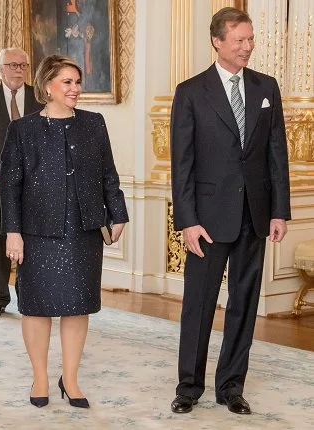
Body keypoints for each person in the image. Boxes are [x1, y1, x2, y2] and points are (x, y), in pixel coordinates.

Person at [170, 7, 290, 415]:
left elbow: (277, 154)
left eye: (250, 38)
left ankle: (231, 386)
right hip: (206, 218)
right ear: (217, 42)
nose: (247, 46)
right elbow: (181, 162)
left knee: (244, 302)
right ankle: (188, 387)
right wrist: (186, 220)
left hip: (255, 215)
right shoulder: (190, 91)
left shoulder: (266, 87)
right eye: (239, 40)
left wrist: (279, 211)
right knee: (198, 304)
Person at [0, 55, 128, 408]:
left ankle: (70, 378)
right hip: (37, 231)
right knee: (37, 308)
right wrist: (13, 232)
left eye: (77, 82)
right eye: (67, 82)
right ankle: (40, 376)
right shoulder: (22, 129)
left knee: (77, 306)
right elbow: (10, 185)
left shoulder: (93, 123)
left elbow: (108, 173)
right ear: (47, 88)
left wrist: (118, 214)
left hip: (84, 229)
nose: (75, 89)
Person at [0, 47, 43, 318]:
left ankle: (30, 297)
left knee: (31, 241)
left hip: (34, 183)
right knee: (1, 242)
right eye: (12, 65)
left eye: (23, 66)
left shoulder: (39, 98)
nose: (18, 70)